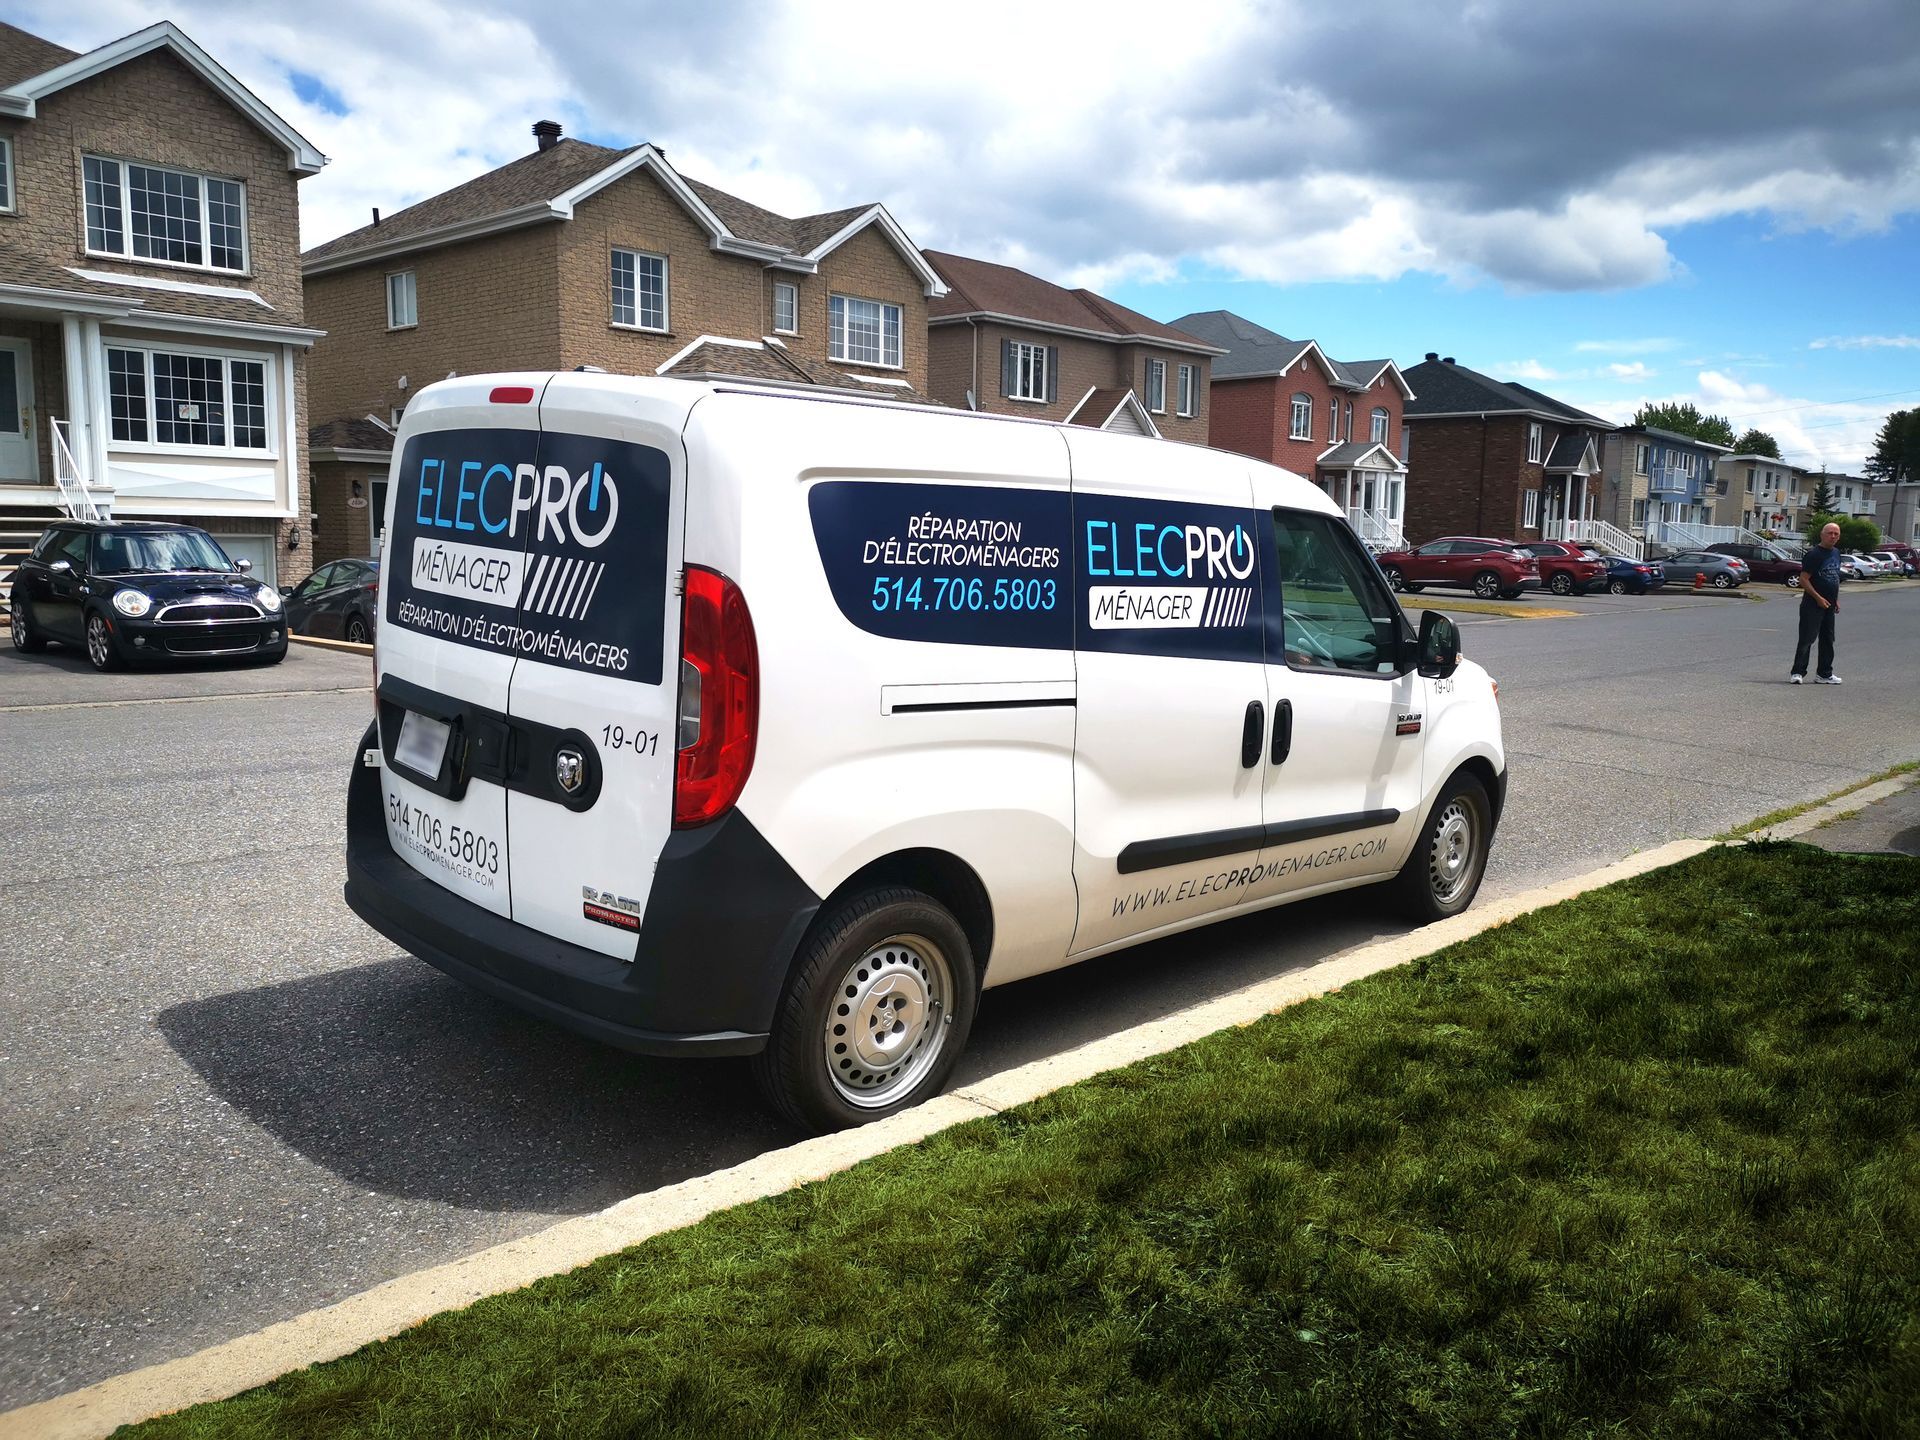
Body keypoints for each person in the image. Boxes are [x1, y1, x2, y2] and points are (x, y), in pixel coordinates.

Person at [1789, 522, 1843, 684]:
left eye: (1836, 534)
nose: (1833, 536)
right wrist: (1818, 598)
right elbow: (1803, 579)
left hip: (1829, 604)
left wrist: (1836, 600)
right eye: (1830, 533)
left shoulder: (1836, 553)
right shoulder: (1814, 554)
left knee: (1828, 639)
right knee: (1807, 638)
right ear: (1822, 534)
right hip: (1812, 604)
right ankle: (1797, 672)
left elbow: (1835, 578)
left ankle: (1824, 674)